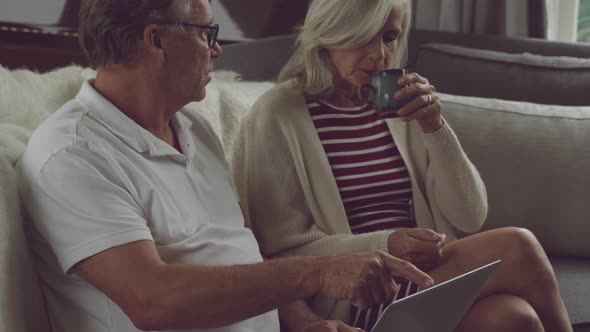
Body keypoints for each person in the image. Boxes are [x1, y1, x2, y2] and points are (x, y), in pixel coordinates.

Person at [16, 1, 436, 332]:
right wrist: (320, 273)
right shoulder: (73, 154)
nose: (217, 49)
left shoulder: (194, 128)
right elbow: (150, 299)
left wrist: (307, 324)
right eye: (207, 33)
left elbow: (244, 255)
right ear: (156, 40)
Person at [232, 0, 573, 331]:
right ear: (331, 33)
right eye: (365, 35)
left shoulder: (398, 105)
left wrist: (435, 127)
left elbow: (470, 216)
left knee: (514, 318)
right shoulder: (276, 114)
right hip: (356, 298)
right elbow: (281, 251)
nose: (380, 54)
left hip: (422, 279)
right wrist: (387, 244)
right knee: (517, 245)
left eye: (390, 37)